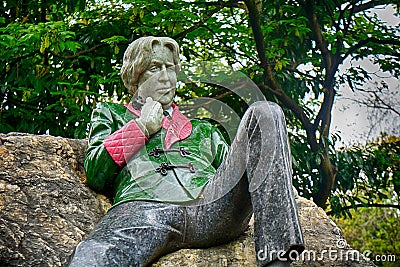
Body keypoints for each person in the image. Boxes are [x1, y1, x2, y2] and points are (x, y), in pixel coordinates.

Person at [69, 36, 304, 267]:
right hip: (145, 210)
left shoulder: (205, 129)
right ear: (136, 75)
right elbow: (96, 172)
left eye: (170, 68)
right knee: (93, 255)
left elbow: (239, 175)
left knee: (265, 112)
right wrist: (140, 128)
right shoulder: (112, 114)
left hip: (212, 205)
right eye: (154, 68)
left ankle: (278, 261)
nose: (165, 77)